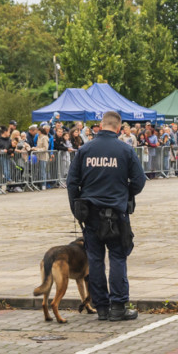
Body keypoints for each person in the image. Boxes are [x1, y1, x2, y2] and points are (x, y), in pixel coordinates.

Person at [66, 111, 146, 321]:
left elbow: (72, 182)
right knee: (118, 257)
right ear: (119, 128)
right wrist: (125, 193)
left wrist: (76, 208)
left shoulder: (85, 150)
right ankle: (118, 306)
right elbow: (139, 181)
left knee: (95, 260)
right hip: (116, 214)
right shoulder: (125, 150)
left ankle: (101, 307)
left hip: (90, 213)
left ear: (101, 126)